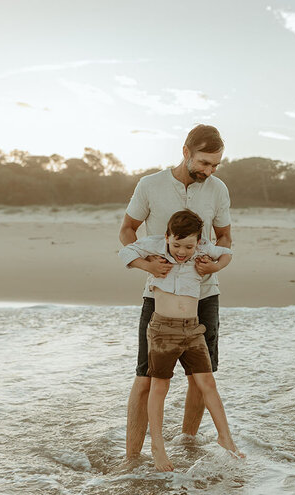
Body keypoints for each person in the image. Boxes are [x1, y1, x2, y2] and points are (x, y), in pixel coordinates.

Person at [119, 125, 231, 461]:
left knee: (201, 378)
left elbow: (225, 238)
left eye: (214, 165)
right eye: (204, 162)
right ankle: (132, 459)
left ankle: (186, 445)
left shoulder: (218, 190)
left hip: (204, 295)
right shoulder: (149, 185)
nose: (208, 171)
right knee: (145, 379)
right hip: (158, 296)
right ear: (186, 151)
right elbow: (126, 230)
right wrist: (148, 262)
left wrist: (215, 266)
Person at [119, 210, 243, 470]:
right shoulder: (156, 245)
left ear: (198, 242)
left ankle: (226, 439)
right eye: (176, 245)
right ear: (167, 237)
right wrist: (149, 265)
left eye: (188, 246)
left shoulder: (202, 249)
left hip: (193, 329)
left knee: (207, 381)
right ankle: (158, 448)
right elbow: (125, 252)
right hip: (163, 329)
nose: (182, 252)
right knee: (159, 387)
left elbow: (227, 252)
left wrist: (215, 266)